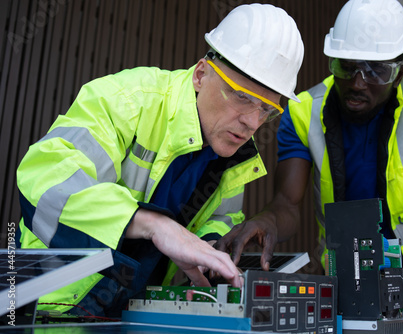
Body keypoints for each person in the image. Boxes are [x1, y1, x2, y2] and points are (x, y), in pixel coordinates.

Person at [15, 3, 304, 318]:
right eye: (241, 96)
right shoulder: (127, 100)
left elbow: (220, 217)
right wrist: (153, 225)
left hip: (126, 313)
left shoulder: (232, 152)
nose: (252, 122)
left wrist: (210, 252)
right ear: (201, 74)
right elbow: (44, 177)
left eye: (266, 109)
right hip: (40, 301)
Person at [215, 0, 403, 333]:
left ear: (400, 70)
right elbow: (286, 204)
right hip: (344, 279)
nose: (358, 82)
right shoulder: (303, 112)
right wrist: (266, 220)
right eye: (347, 66)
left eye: (376, 71)